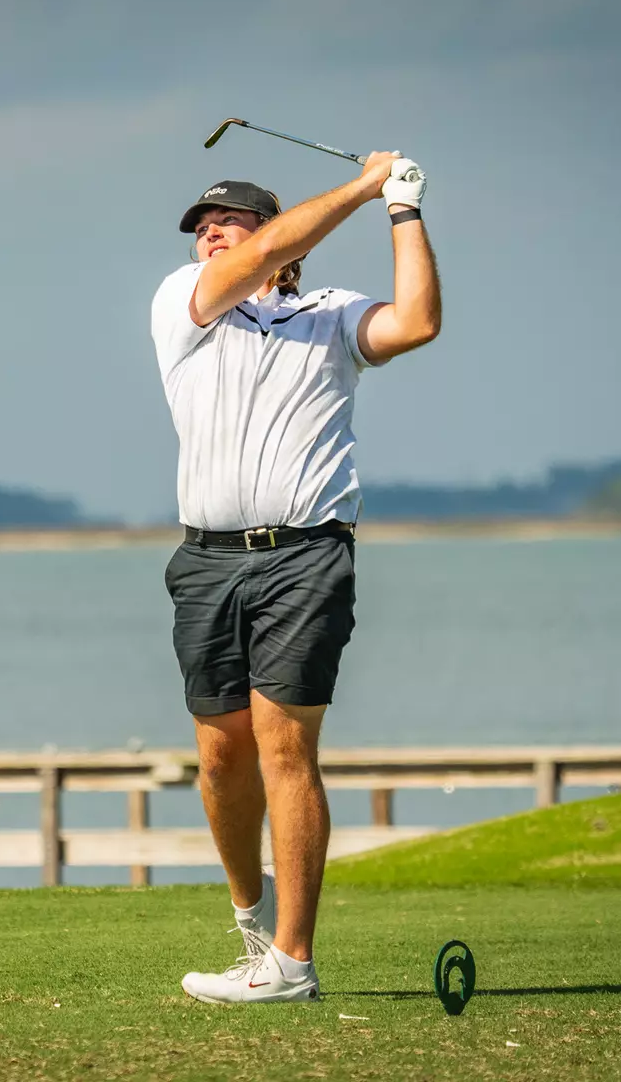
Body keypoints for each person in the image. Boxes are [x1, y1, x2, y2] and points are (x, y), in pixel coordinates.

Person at [150, 151, 441, 1003]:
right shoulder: (186, 301)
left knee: (286, 748)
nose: (210, 234)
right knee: (218, 757)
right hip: (206, 559)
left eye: (228, 221)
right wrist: (357, 183)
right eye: (202, 226)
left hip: (307, 554)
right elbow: (248, 262)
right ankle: (254, 921)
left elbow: (416, 321)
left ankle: (292, 963)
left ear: (284, 242)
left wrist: (401, 207)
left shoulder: (331, 315)